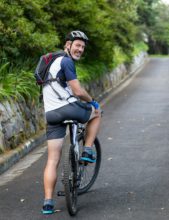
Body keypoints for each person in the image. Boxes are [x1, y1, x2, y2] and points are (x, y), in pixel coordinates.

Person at [41, 30, 101, 214]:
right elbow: (77, 91)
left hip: (50, 113)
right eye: (77, 45)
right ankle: (88, 150)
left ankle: (48, 203)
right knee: (96, 113)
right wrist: (91, 101)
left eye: (82, 47)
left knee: (52, 159)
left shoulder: (52, 63)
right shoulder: (66, 61)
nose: (80, 49)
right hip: (67, 108)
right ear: (68, 44)